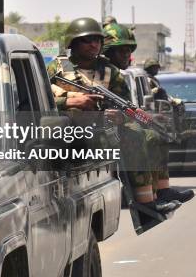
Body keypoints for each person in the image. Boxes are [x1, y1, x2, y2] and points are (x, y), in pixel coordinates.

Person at [47, 17, 180, 215]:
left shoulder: (110, 71)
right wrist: (70, 102)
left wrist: (119, 117)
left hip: (100, 131)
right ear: (73, 43)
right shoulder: (56, 68)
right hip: (67, 133)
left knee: (149, 135)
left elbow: (126, 107)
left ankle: (151, 201)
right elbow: (39, 101)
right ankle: (148, 204)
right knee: (136, 135)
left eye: (98, 40)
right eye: (88, 40)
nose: (94, 44)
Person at [103, 23, 194, 204]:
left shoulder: (115, 75)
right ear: (108, 51)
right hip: (97, 129)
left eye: (129, 50)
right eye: (122, 51)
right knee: (144, 137)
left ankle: (161, 192)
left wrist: (149, 118)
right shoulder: (97, 72)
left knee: (157, 134)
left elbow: (127, 109)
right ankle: (147, 201)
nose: (127, 55)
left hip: (114, 125)